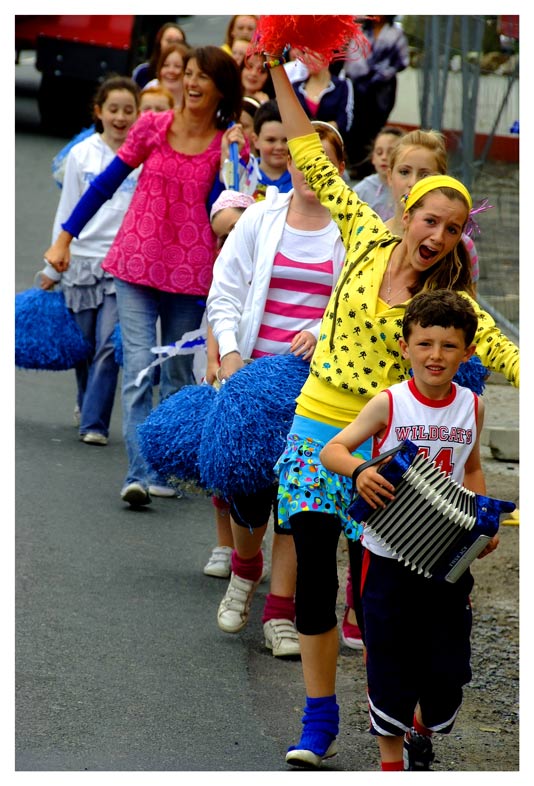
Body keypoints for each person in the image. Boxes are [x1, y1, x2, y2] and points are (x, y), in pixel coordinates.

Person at [263, 56, 519, 768]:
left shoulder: (450, 306)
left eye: (450, 227)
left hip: (394, 461)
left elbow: (506, 354)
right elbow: (311, 157)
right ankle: (318, 719)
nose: (435, 234)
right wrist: (277, 72)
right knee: (315, 574)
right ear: (407, 212)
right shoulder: (364, 233)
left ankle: (400, 715)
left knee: (384, 604)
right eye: (429, 218)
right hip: (319, 434)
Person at [43, 46, 244, 508]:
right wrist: (65, 238)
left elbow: (226, 209)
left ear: (220, 89)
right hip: (135, 263)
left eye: (203, 77)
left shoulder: (226, 144)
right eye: (187, 74)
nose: (191, 83)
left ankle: (167, 466)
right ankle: (138, 473)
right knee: (136, 370)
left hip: (191, 274)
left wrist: (235, 163)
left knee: (174, 375)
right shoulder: (153, 126)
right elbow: (105, 184)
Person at [319, 289, 499, 771]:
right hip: (386, 558)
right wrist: (358, 471)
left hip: (448, 561)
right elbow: (333, 450)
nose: (435, 356)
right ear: (405, 347)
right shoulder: (388, 403)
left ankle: (422, 727)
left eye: (448, 345)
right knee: (389, 663)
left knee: (447, 673)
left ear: (468, 351)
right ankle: (391, 766)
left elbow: (474, 467)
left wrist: (483, 517)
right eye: (424, 344)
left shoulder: (473, 407)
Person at [206, 122, 349, 659]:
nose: (312, 168)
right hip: (251, 380)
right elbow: (224, 289)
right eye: (301, 157)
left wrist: (324, 331)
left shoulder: (352, 228)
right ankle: (245, 567)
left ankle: (278, 613)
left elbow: (359, 303)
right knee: (249, 492)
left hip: (318, 389)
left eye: (324, 159)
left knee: (298, 496)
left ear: (338, 168)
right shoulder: (262, 217)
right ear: (289, 164)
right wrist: (231, 351)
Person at [40, 76, 142, 445]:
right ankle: (86, 403)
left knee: (108, 345)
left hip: (121, 263)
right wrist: (55, 261)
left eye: (128, 110)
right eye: (113, 109)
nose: (120, 117)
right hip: (81, 261)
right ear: (98, 112)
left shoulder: (143, 158)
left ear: (138, 115)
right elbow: (67, 210)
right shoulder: (81, 155)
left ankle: (95, 423)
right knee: (83, 344)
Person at [203, 189, 256, 580]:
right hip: (227, 369)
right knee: (225, 467)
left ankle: (249, 547)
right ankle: (224, 544)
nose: (226, 242)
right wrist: (213, 359)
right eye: (220, 236)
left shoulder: (267, 260)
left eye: (234, 229)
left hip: (259, 369)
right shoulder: (226, 264)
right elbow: (216, 312)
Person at [384, 129, 481, 293]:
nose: (413, 182)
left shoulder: (462, 248)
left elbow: (469, 308)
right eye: (404, 172)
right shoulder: (372, 236)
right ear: (389, 176)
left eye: (425, 175)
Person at [343, 16, 409, 180]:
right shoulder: (361, 30)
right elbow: (353, 58)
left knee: (375, 125)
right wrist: (364, 75)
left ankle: (373, 167)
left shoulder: (396, 33)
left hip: (383, 88)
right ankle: (357, 166)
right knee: (357, 126)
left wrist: (379, 74)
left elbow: (402, 61)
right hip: (359, 86)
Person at [352, 125, 405, 221]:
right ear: (373, 158)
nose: (384, 157)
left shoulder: (408, 187)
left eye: (390, 152)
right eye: (379, 152)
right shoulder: (362, 190)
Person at [292, 57, 354, 136]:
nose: (307, 58)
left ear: (327, 56)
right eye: (305, 53)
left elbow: (345, 122)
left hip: (331, 143)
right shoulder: (295, 87)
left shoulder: (343, 85)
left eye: (313, 54)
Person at [249, 99, 292, 198]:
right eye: (271, 140)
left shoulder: (303, 180)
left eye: (286, 140)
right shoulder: (242, 176)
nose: (279, 147)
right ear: (255, 140)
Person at [132, 22, 188, 89]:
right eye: (169, 41)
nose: (173, 45)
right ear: (159, 43)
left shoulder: (188, 74)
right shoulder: (142, 72)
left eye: (178, 42)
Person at [143, 42, 190, 110]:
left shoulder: (193, 99)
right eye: (166, 65)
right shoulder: (151, 88)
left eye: (177, 66)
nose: (171, 71)